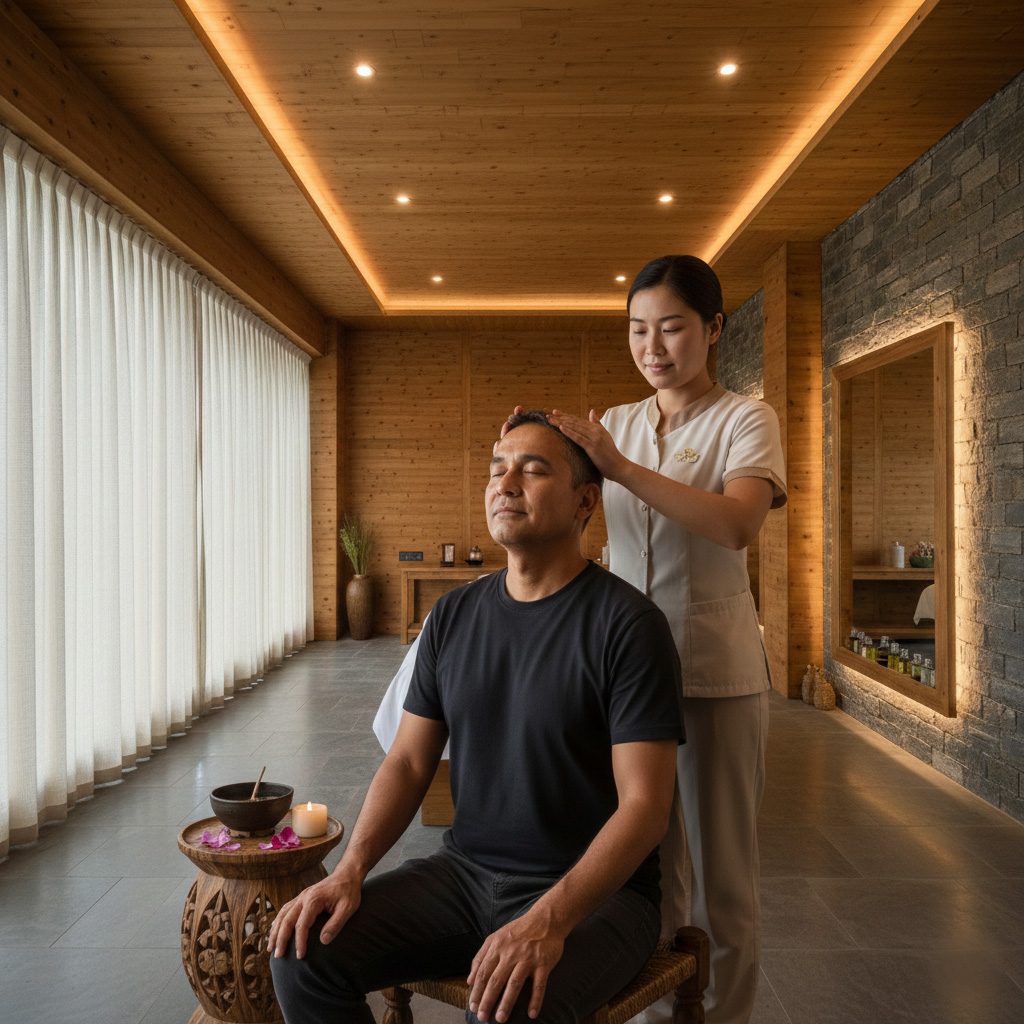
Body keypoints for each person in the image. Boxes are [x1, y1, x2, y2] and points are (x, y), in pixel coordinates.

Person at [268, 410, 686, 1024]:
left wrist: (546, 921)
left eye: (533, 469)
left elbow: (646, 808)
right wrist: (349, 871)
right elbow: (409, 762)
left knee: (505, 1007)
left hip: (597, 898)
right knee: (303, 954)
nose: (505, 482)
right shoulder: (453, 617)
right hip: (464, 876)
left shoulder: (628, 627)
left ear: (584, 502)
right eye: (497, 469)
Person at [542, 255, 787, 1024]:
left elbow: (738, 523)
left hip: (715, 673)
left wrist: (621, 469)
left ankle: (728, 1015)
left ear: (713, 329)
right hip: (626, 680)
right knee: (648, 872)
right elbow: (569, 499)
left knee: (726, 882)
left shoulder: (745, 418)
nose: (653, 346)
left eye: (672, 327)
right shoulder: (614, 423)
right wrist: (528, 456)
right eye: (638, 330)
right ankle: (658, 1011)